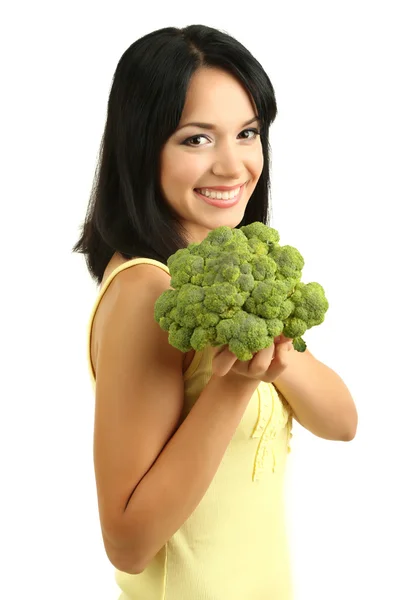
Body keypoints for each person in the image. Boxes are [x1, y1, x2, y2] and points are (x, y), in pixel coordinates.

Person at [73, 24, 358, 600]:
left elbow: (342, 423)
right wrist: (233, 388)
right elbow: (126, 542)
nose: (233, 166)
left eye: (247, 133)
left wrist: (277, 356)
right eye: (197, 139)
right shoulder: (146, 294)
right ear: (141, 145)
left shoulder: (224, 276)